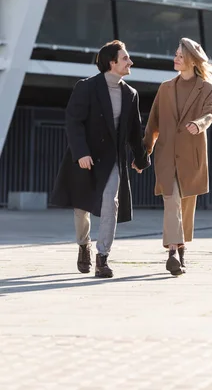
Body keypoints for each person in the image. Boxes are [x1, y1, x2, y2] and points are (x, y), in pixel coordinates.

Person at [52, 40, 150, 278]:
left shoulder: (130, 93)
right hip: (87, 155)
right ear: (111, 62)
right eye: (125, 58)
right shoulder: (86, 87)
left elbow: (134, 131)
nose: (130, 62)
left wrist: (140, 157)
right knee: (81, 207)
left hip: (113, 158)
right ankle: (83, 245)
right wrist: (81, 152)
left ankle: (102, 257)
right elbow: (73, 121)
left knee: (110, 204)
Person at [144, 37, 212, 276]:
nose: (175, 58)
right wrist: (144, 152)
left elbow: (210, 114)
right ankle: (172, 253)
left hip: (191, 155)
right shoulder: (166, 87)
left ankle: (181, 248)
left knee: (186, 205)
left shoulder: (206, 88)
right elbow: (153, 123)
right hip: (166, 154)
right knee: (172, 201)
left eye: (179, 55)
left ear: (190, 59)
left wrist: (198, 125)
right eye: (176, 54)